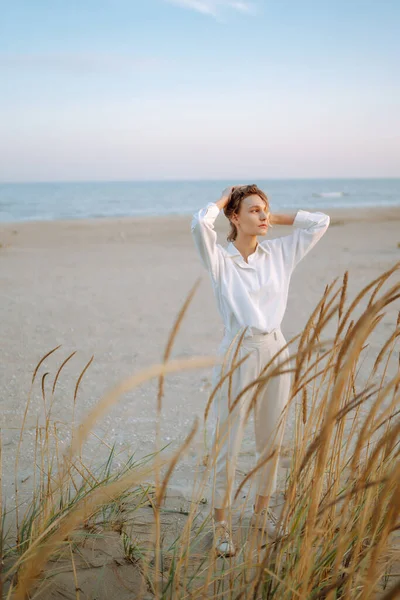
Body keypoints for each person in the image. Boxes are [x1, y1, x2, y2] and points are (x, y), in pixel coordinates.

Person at [190, 184, 330, 556]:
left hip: (275, 348)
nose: (263, 215)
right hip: (238, 350)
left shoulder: (280, 252)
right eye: (253, 211)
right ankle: (221, 522)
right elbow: (199, 225)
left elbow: (319, 222)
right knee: (229, 441)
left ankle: (261, 513)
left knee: (272, 439)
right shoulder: (220, 259)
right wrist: (223, 199)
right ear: (234, 218)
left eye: (264, 210)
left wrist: (272, 218)